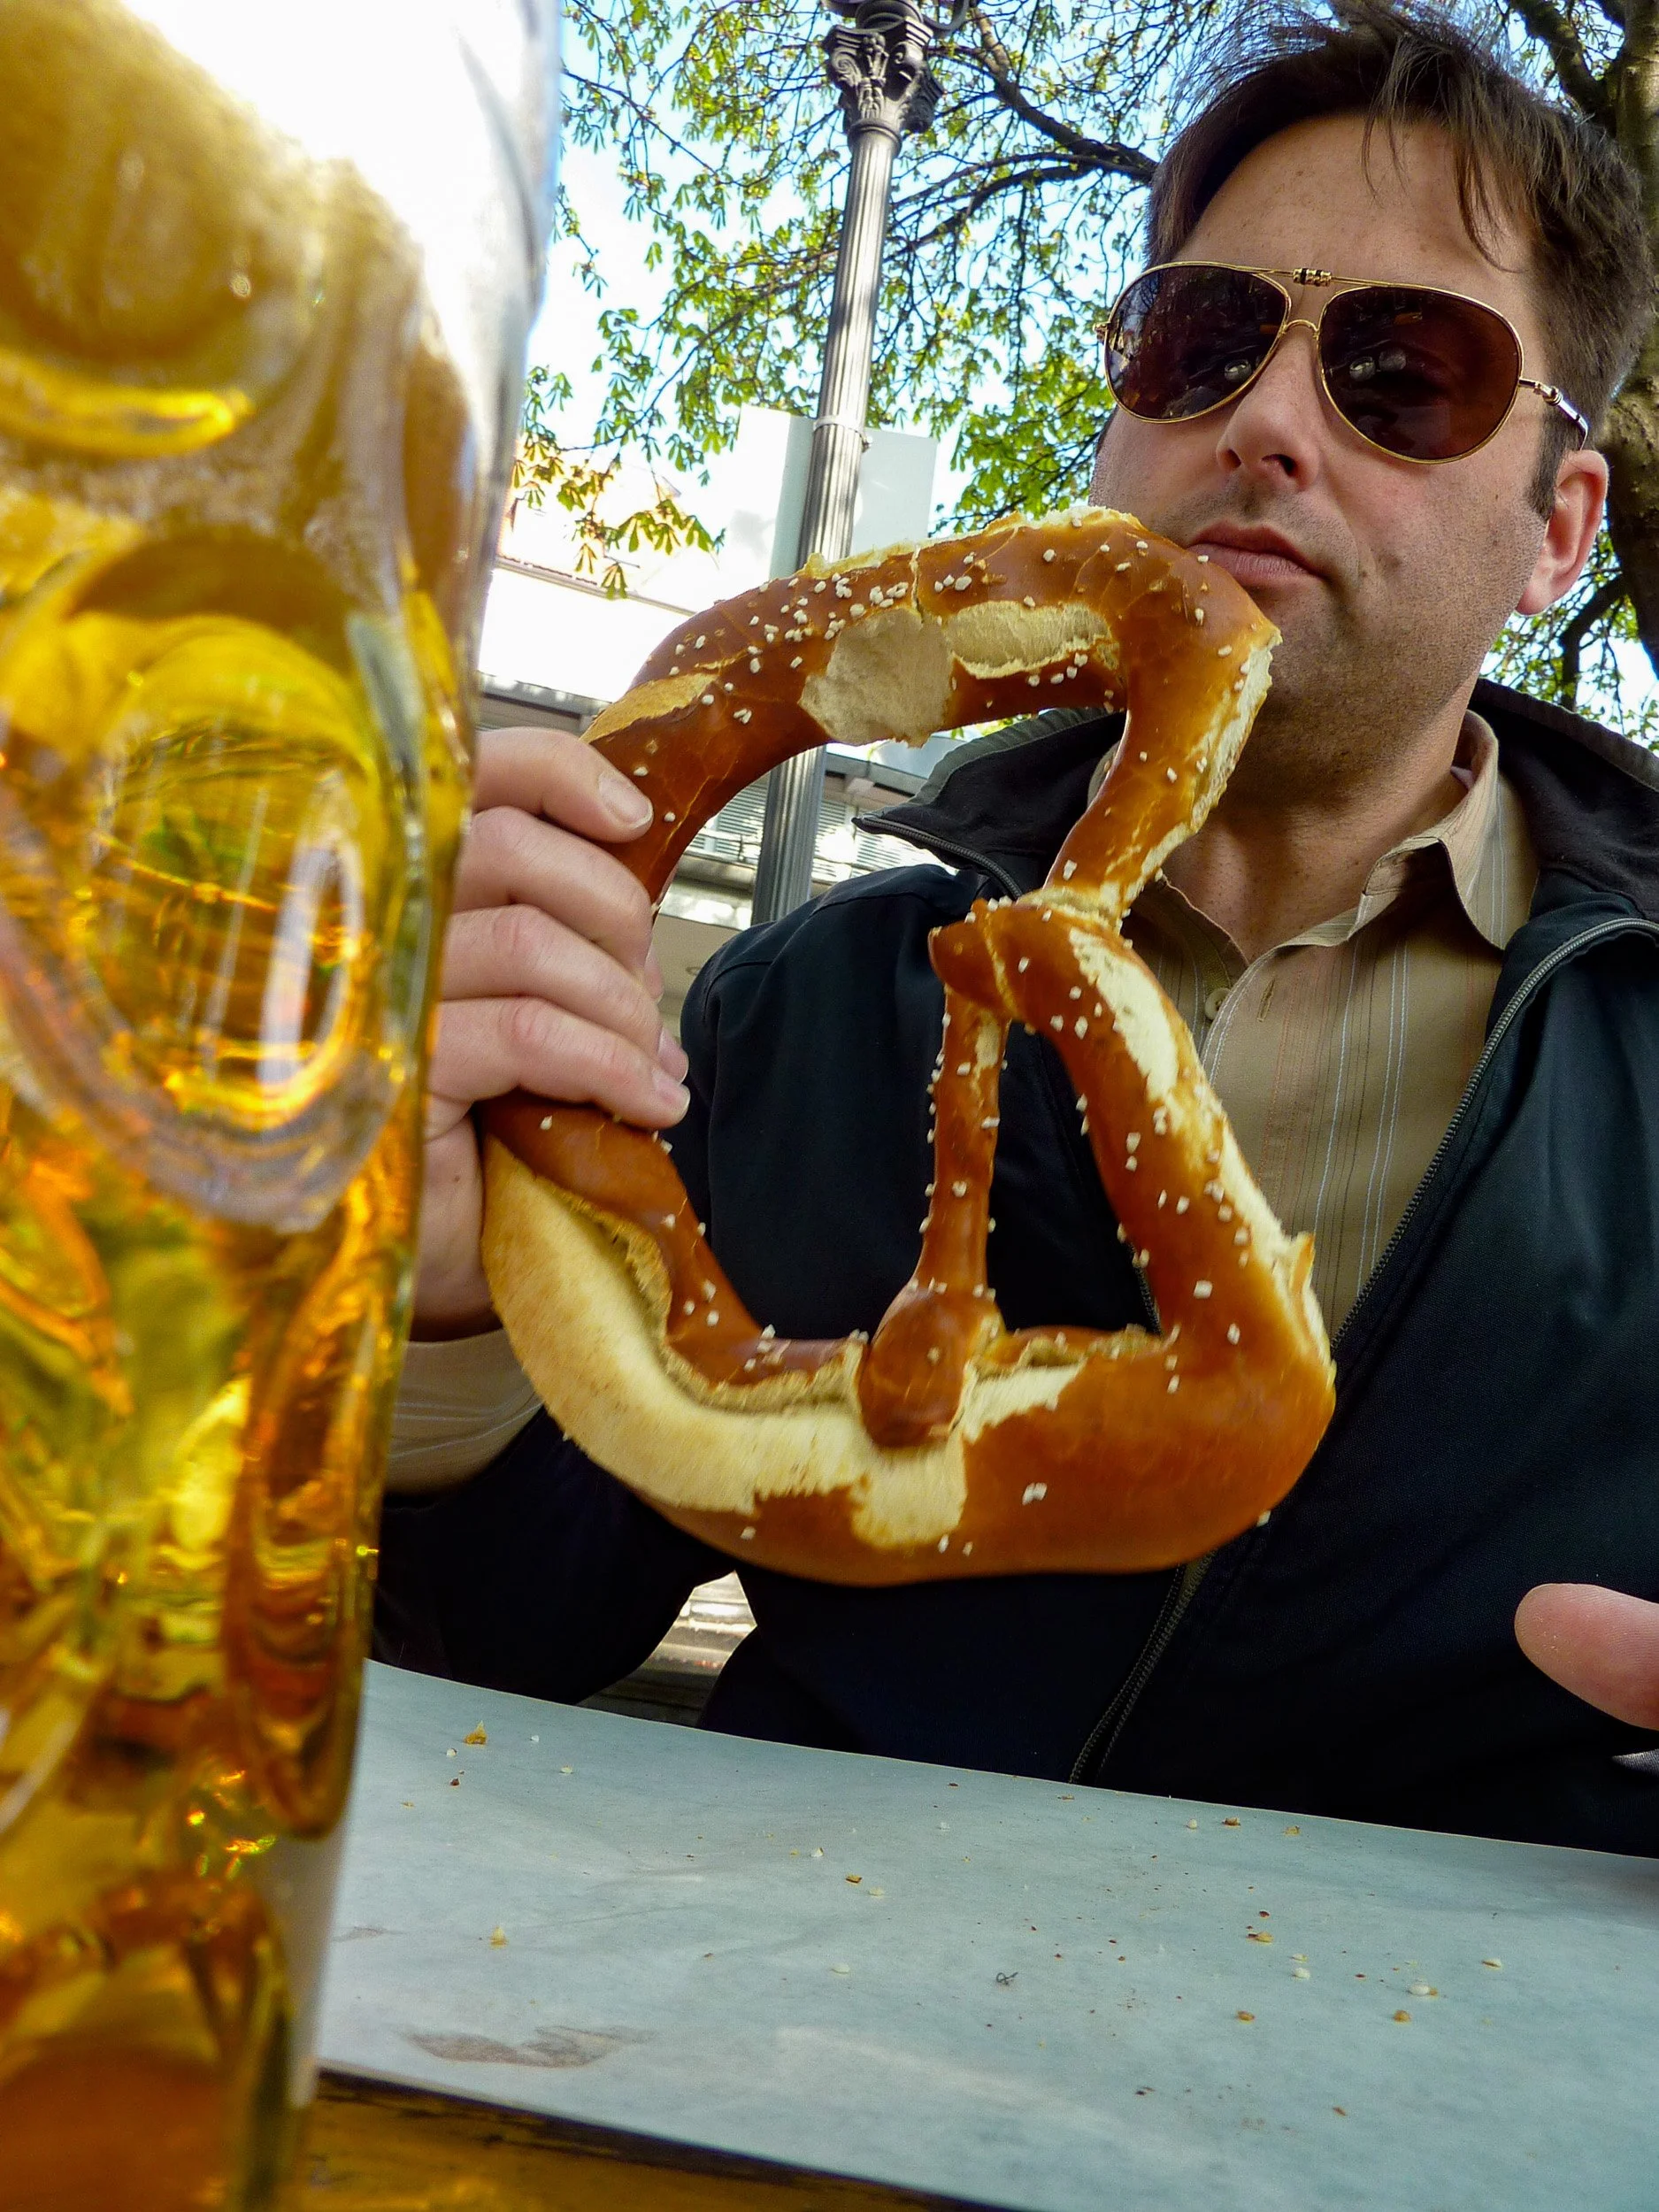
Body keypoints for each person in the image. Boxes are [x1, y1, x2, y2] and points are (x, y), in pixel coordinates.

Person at [377, 3, 1659, 1852]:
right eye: (1199, 342)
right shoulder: (802, 1003)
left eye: (1406, 369)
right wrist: (438, 1318)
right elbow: (484, 1646)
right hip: (802, 2028)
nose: (1270, 423)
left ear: (1559, 534)